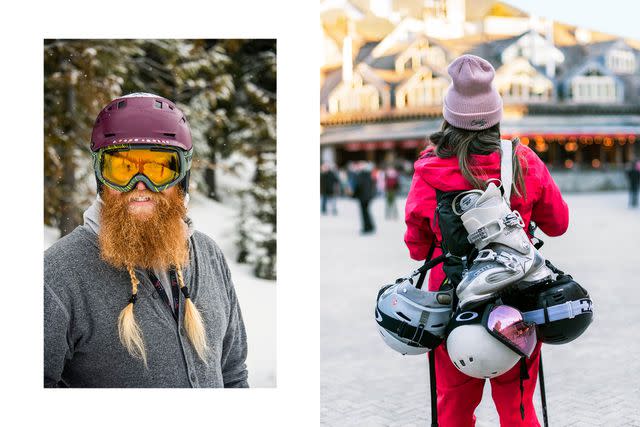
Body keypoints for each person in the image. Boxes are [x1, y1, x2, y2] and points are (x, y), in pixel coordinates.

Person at [404, 55, 569, 426]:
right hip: (516, 302)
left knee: (453, 411)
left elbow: (416, 246)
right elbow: (558, 224)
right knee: (519, 410)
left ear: (449, 117)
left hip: (451, 305)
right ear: (496, 116)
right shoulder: (523, 161)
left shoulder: (428, 169)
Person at [44, 93, 249, 388]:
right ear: (101, 177)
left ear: (182, 177)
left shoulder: (208, 255)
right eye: (123, 168)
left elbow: (233, 374)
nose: (140, 186)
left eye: (158, 169)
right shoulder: (57, 276)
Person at [353, 161, 376, 234]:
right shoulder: (369, 175)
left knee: (364, 213)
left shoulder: (361, 175)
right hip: (368, 197)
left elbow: (358, 186)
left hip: (363, 197)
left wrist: (354, 195)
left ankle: (367, 227)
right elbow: (372, 187)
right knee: (367, 212)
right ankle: (370, 226)